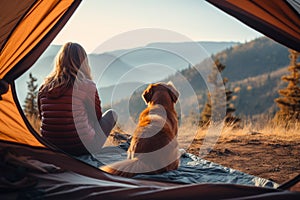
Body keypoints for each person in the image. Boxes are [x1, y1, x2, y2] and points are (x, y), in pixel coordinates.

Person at [38, 42, 117, 156]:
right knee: (112, 114)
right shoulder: (86, 85)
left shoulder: (44, 87)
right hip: (81, 148)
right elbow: (97, 118)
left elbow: (42, 117)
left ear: (59, 61)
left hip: (52, 146)